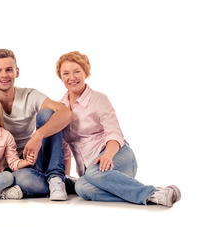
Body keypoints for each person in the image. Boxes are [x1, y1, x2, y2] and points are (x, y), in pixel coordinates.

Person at [57, 51, 181, 207]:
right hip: (94, 175)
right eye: (66, 73)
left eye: (77, 71)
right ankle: (148, 194)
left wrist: (107, 156)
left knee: (93, 172)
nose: (72, 77)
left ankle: (153, 193)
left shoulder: (98, 99)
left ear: (85, 73)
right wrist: (66, 177)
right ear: (60, 77)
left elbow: (114, 132)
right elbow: (65, 149)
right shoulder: (60, 107)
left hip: (117, 156)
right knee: (82, 188)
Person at [0, 49, 74, 201]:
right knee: (22, 179)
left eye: (9, 70)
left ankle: (56, 177)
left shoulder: (29, 96)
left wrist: (38, 135)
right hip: (4, 167)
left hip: (31, 158)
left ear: (16, 72)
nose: (4, 75)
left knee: (47, 114)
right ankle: (60, 183)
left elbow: (66, 113)